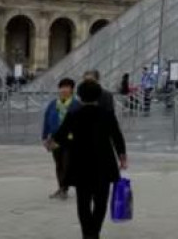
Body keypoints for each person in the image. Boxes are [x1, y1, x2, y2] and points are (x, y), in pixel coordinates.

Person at [51, 80, 127, 239]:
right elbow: (117, 136)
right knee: (101, 202)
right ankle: (95, 232)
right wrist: (122, 157)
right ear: (99, 96)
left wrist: (60, 142)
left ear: (79, 96)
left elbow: (60, 137)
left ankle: (87, 233)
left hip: (81, 164)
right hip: (104, 164)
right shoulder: (107, 114)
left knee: (83, 202)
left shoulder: (74, 114)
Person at [41, 78, 79, 200]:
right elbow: (46, 121)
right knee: (58, 164)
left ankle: (65, 189)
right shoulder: (53, 104)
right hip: (55, 139)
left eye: (66, 87)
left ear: (72, 90)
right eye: (61, 87)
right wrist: (44, 137)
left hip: (70, 139)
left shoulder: (76, 105)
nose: (63, 90)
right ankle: (61, 188)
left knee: (67, 164)